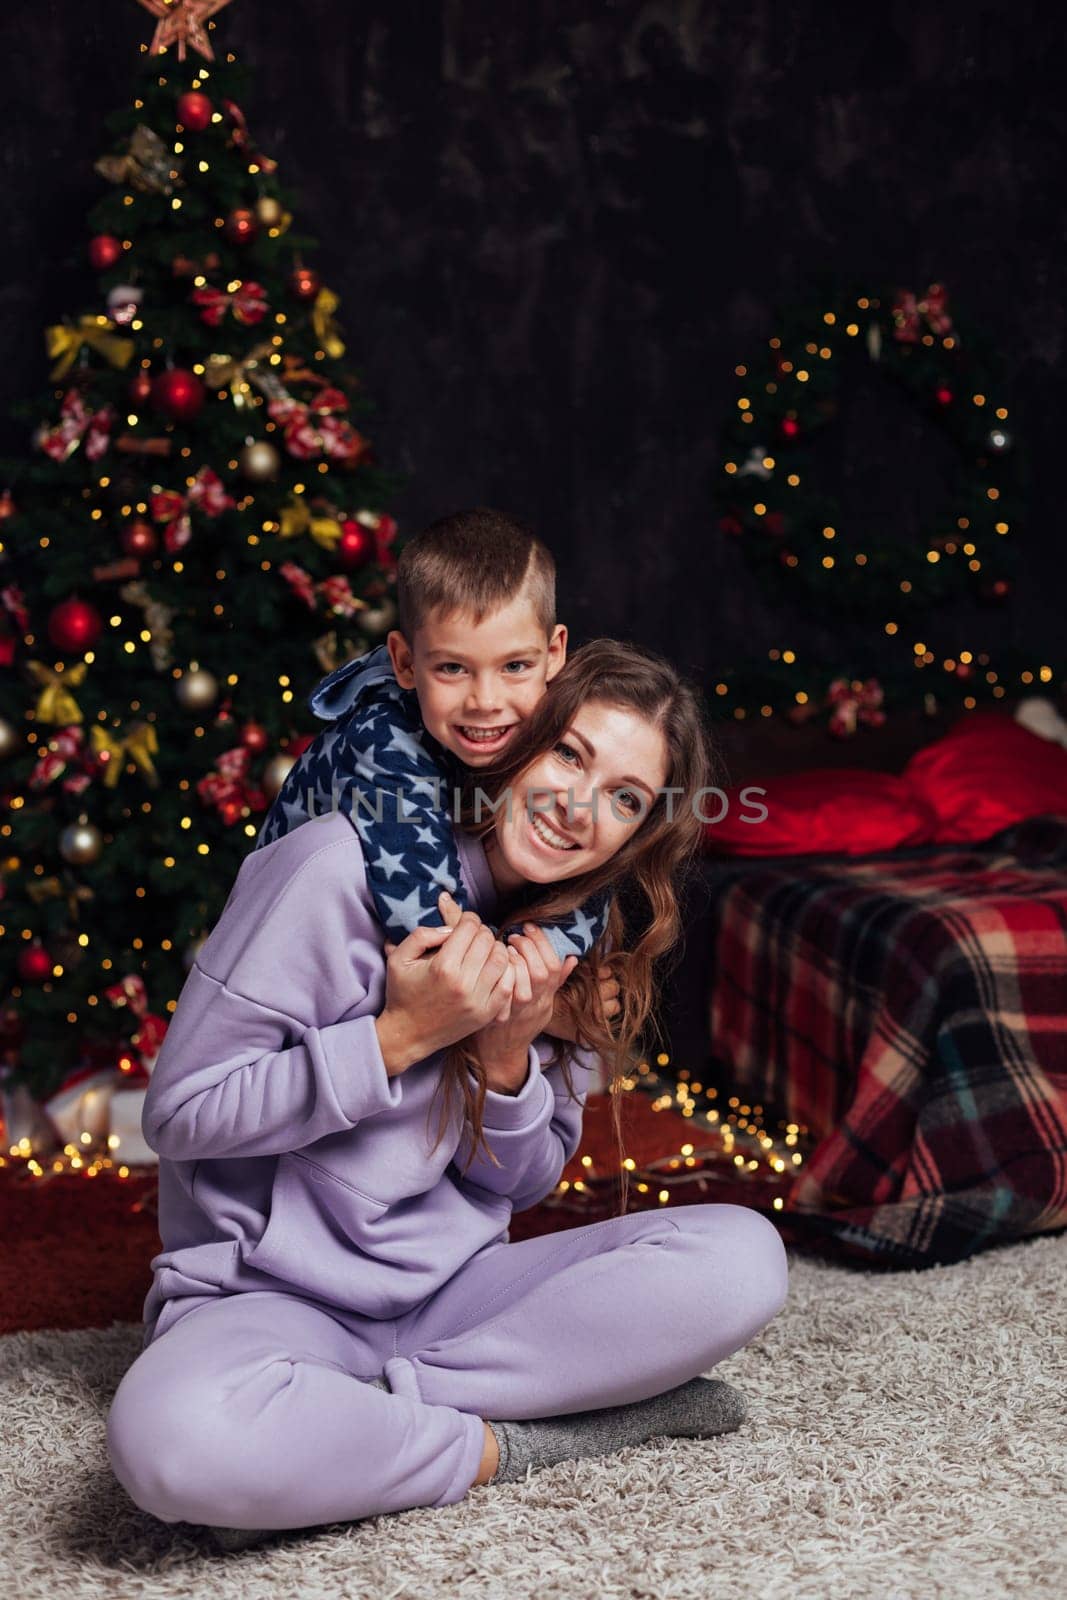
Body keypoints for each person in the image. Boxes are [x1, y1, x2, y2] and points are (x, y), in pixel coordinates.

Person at [106, 639, 789, 1546]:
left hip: (455, 1294)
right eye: (568, 754)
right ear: (513, 740)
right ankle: (506, 1444)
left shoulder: (571, 942)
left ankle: (333, 1440)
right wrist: (406, 1034)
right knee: (172, 1448)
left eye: (624, 798)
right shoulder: (329, 867)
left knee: (745, 1258)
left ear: (641, 830)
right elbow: (179, 1115)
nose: (577, 807)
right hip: (264, 1300)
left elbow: (521, 1185)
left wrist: (507, 1056)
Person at [256, 506, 611, 965]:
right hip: (294, 964)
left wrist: (548, 955)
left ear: (554, 653)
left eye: (515, 666)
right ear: (405, 663)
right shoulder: (382, 741)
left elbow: (597, 872)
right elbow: (434, 940)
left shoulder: (550, 724)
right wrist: (546, 995)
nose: (486, 700)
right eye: (452, 668)